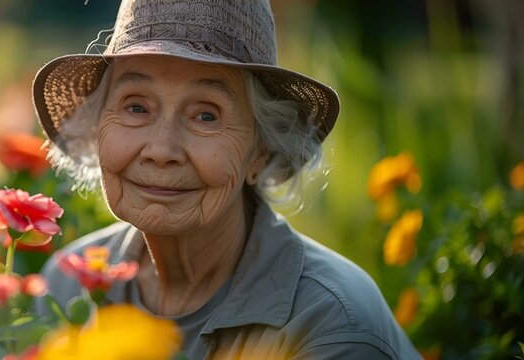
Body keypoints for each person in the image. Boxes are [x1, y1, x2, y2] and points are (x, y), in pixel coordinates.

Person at [32, 0, 421, 359]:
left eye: (206, 115)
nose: (162, 149)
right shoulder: (69, 288)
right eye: (136, 106)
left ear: (261, 152)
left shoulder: (327, 324)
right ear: (98, 126)